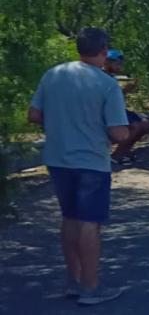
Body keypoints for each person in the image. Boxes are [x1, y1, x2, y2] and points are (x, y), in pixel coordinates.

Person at [28, 27, 129, 306]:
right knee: (90, 223)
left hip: (58, 159)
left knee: (69, 217)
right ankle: (91, 286)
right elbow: (119, 133)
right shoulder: (107, 85)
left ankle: (72, 280)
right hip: (91, 162)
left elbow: (34, 114)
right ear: (103, 51)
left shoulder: (54, 74)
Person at [103, 49, 149, 164]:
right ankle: (116, 156)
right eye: (116, 63)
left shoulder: (112, 77)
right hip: (106, 112)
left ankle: (124, 152)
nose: (119, 66)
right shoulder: (100, 77)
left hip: (116, 110)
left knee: (145, 124)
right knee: (135, 126)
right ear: (107, 62)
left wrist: (126, 90)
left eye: (120, 63)